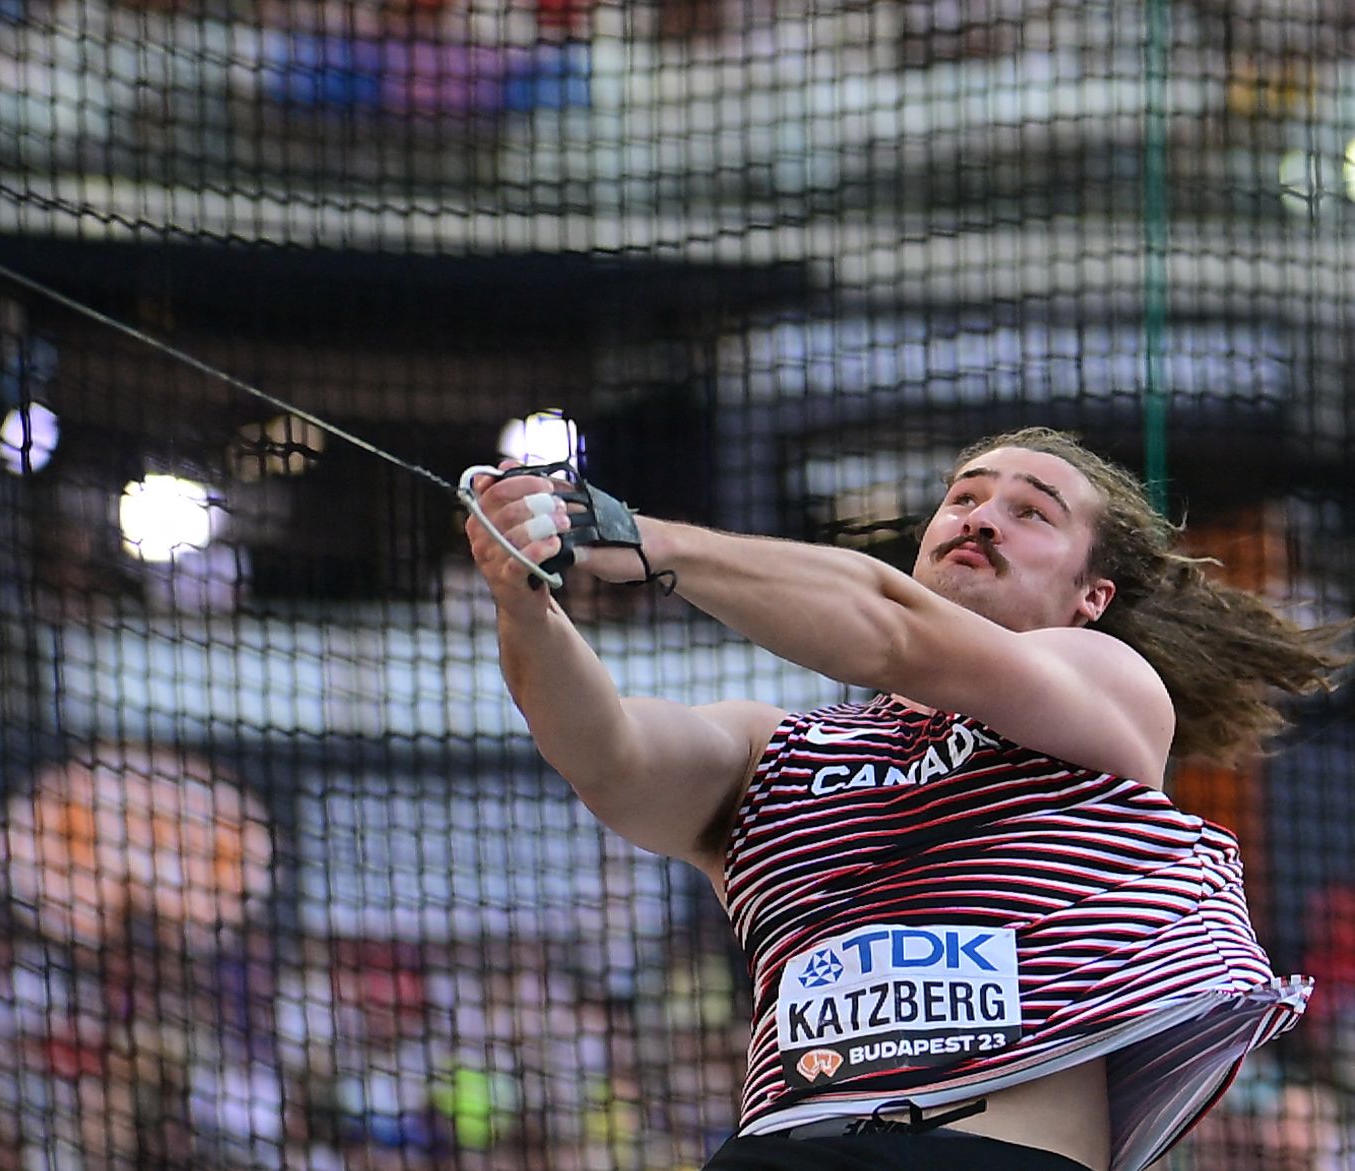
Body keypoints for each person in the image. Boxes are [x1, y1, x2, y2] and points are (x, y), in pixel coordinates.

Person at [462, 426, 1347, 1171]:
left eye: (1030, 510)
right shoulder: (778, 750)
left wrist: (644, 539)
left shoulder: (1105, 687)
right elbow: (608, 756)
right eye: (964, 498)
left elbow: (888, 631)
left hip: (990, 1154)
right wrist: (524, 604)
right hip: (782, 1148)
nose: (982, 517)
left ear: (1092, 595)